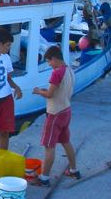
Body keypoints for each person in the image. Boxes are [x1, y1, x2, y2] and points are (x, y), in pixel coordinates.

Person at [31, 45, 80, 187]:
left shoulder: (57, 73)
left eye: (49, 62)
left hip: (55, 113)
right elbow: (60, 90)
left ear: (53, 59)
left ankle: (44, 178)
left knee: (49, 145)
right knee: (66, 141)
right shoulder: (70, 70)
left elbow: (50, 94)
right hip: (66, 110)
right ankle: (73, 170)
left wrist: (38, 91)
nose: (49, 65)